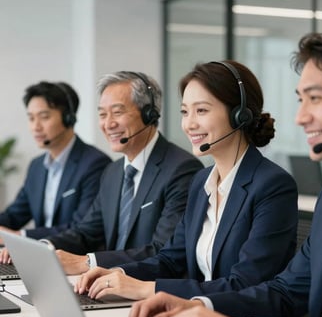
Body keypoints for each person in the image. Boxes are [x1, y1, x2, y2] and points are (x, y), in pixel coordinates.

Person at [127, 30, 322, 317]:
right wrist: (198, 306)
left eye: (315, 98)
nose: (300, 117)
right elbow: (286, 293)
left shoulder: (276, 185)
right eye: (300, 100)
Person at [75, 60, 298, 301]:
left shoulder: (272, 185)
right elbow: (170, 259)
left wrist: (145, 289)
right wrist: (115, 274)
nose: (189, 124)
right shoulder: (202, 181)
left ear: (239, 115)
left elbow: (245, 284)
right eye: (184, 112)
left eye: (201, 110)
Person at [30, 71, 203, 274]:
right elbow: (86, 233)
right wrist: (43, 248)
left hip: (148, 289)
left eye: (118, 112)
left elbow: (162, 251)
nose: (108, 124)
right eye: (103, 114)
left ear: (149, 114)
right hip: (107, 284)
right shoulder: (112, 172)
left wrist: (88, 262)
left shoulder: (182, 169)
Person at [0, 81, 111, 244]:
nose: (35, 127)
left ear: (68, 118)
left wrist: (20, 237)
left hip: (74, 261)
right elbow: (14, 215)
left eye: (44, 117)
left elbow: (80, 228)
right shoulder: (37, 166)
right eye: (31, 118)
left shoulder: (95, 164)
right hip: (39, 257)